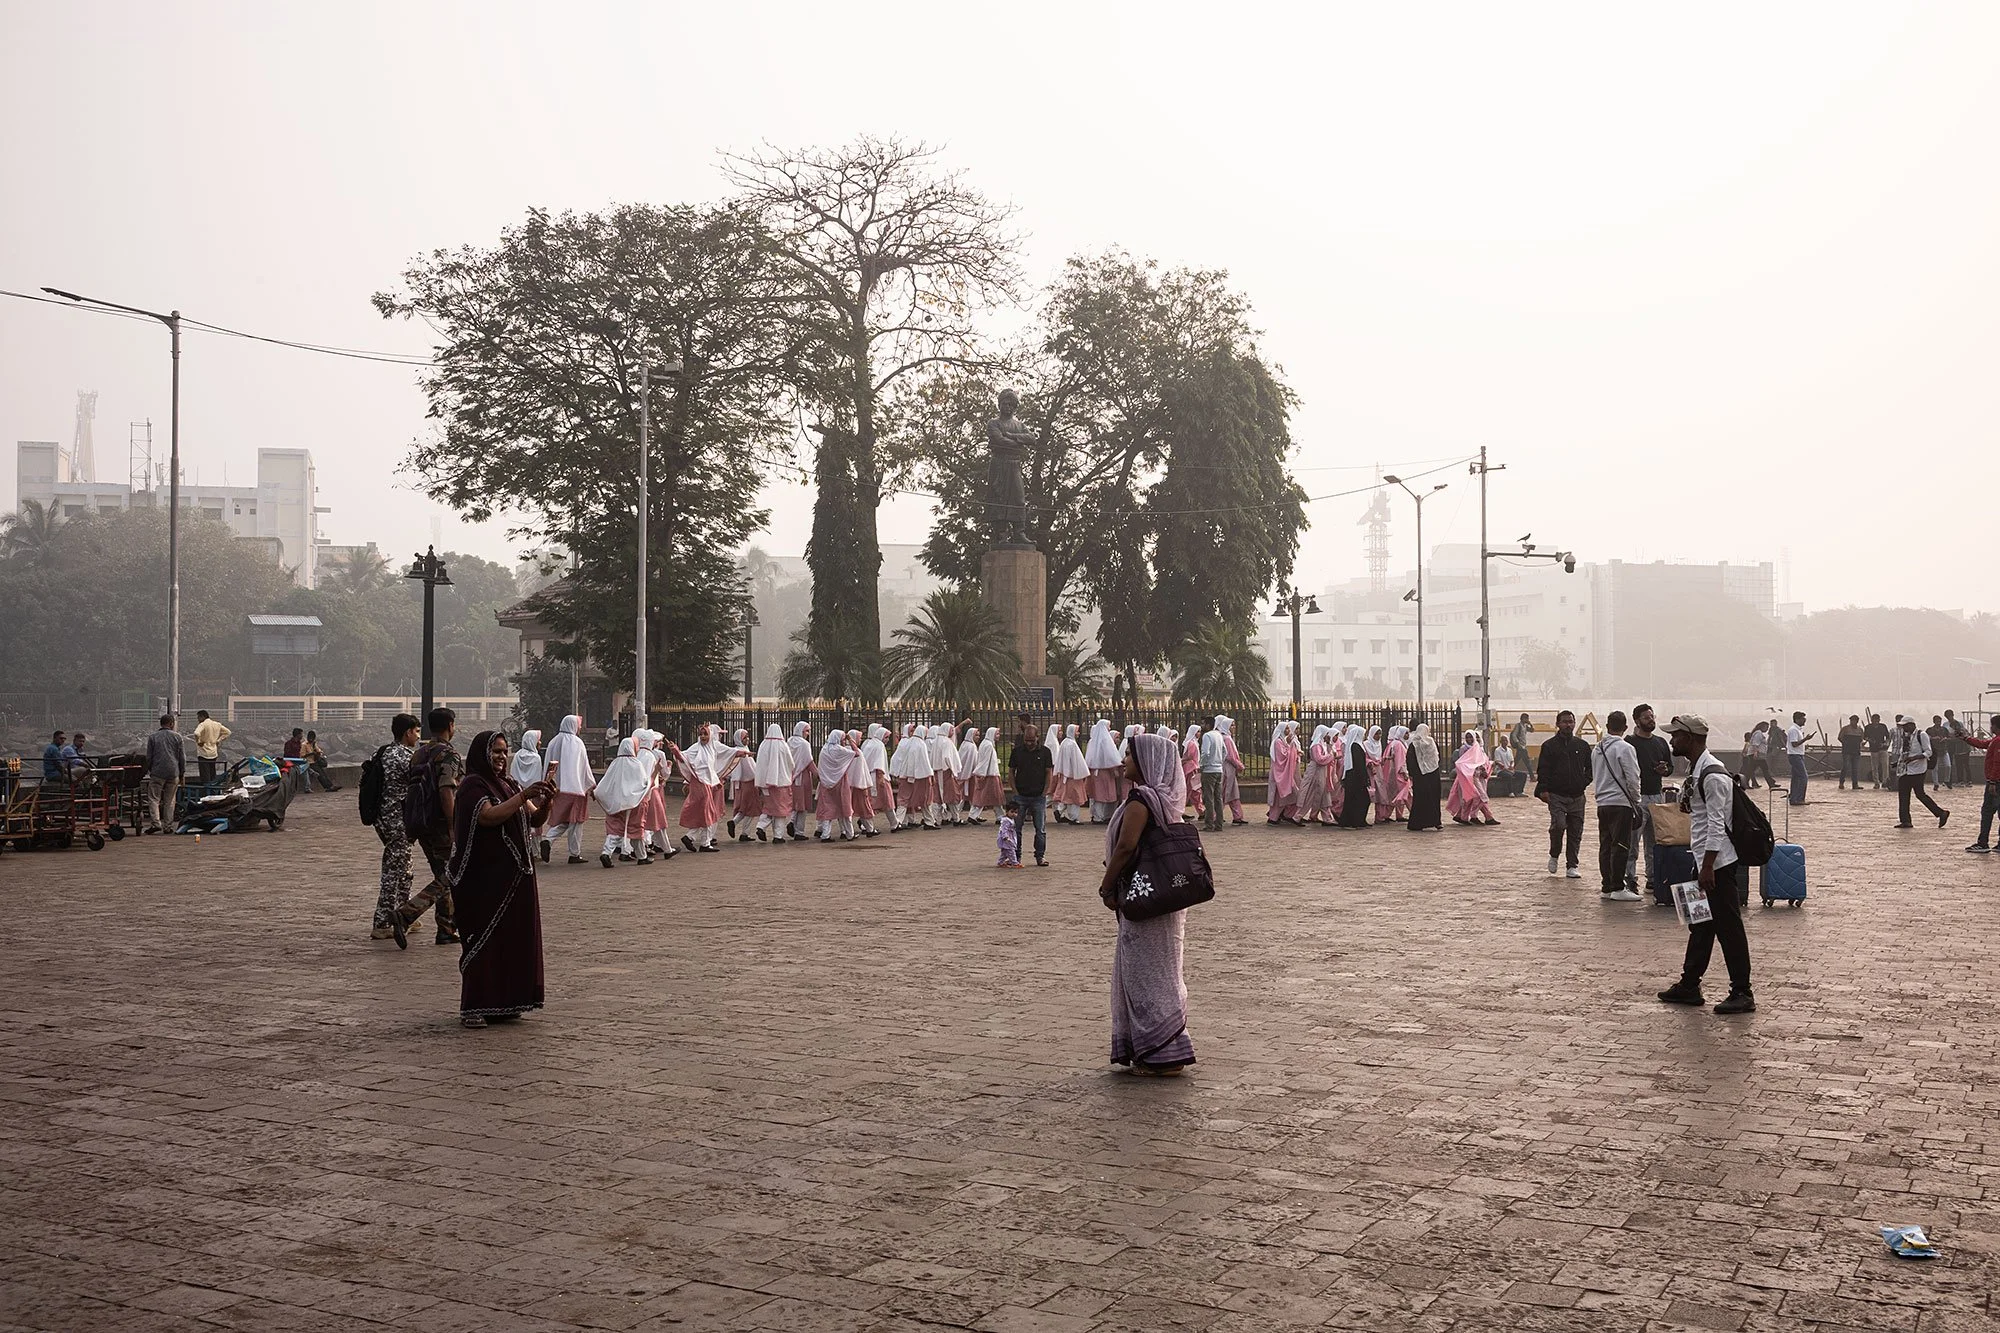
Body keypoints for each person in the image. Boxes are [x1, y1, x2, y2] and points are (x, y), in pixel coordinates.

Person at [1096, 731, 1197, 1076]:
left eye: (1129, 756)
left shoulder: (1141, 801)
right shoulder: (1166, 800)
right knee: (1164, 970)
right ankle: (1163, 1047)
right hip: (1162, 896)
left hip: (1143, 898)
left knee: (1145, 974)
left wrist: (1106, 887)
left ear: (1148, 763)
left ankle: (1162, 1053)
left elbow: (1126, 848)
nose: (1123, 761)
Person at [446, 731, 555, 1028]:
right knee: (483, 941)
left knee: (512, 940)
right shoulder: (472, 786)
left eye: (504, 751)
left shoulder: (508, 784)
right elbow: (488, 817)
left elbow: (534, 819)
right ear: (483, 753)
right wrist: (524, 796)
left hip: (515, 878)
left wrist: (545, 801)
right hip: (485, 880)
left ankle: (506, 1001)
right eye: (495, 751)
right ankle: (474, 1006)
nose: (500, 757)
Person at [1656, 715, 1755, 1015]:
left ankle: (1742, 991)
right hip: (1702, 860)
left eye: (1676, 735)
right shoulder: (1696, 769)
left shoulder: (1712, 775)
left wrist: (1708, 867)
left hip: (1717, 864)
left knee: (1729, 929)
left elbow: (1715, 825)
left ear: (1692, 738)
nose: (1672, 740)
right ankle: (1689, 984)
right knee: (1700, 924)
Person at [391, 707, 463, 948]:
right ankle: (407, 913)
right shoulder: (449, 754)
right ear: (450, 725)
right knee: (449, 876)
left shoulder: (419, 754)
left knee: (442, 874)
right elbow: (446, 790)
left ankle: (446, 929)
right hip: (441, 825)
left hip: (421, 823)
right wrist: (454, 825)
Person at [370, 714, 421, 940]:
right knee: (394, 870)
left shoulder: (380, 753)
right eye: (417, 732)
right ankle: (382, 921)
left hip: (381, 818)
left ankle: (405, 913)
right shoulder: (407, 757)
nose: (418, 737)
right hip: (398, 818)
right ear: (408, 732)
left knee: (405, 866)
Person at [1589, 711, 1641, 900]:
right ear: (1625, 727)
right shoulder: (1625, 748)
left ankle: (1607, 886)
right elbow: (1632, 777)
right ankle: (1618, 887)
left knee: (1605, 845)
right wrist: (1636, 801)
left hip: (1602, 802)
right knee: (1621, 845)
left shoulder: (1597, 749)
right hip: (1621, 803)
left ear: (1607, 725)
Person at [1623, 704, 1674, 896]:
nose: (1650, 720)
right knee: (1632, 842)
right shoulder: (1629, 743)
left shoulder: (1661, 742)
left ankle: (1653, 879)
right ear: (1636, 721)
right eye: (1646, 717)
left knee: (1655, 842)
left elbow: (1670, 767)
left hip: (1657, 796)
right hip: (1637, 797)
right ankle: (1630, 879)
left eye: (1652, 716)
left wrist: (1665, 770)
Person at [1534, 709, 1591, 879]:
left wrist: (1584, 781)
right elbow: (1543, 770)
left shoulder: (1582, 746)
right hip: (1556, 795)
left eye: (1571, 721)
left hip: (1577, 796)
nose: (1568, 725)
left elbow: (1590, 768)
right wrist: (1544, 789)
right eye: (1565, 721)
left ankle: (1572, 865)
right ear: (1557, 724)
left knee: (1575, 831)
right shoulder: (1549, 746)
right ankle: (1554, 853)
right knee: (1559, 825)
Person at [539, 715, 595, 864]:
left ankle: (548, 839)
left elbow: (548, 764)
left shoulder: (553, 742)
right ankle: (574, 853)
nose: (580, 728)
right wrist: (591, 786)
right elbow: (585, 767)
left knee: (563, 819)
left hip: (557, 788)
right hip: (576, 789)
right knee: (576, 822)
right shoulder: (577, 743)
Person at [677, 724, 737, 851]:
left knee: (705, 812)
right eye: (701, 734)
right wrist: (675, 751)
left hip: (707, 783)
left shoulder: (710, 749)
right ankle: (701, 841)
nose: (703, 737)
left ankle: (695, 839)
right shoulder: (695, 748)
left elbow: (711, 769)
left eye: (705, 734)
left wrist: (716, 782)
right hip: (700, 783)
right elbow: (683, 757)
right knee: (707, 811)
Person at [1006, 720, 1053, 866]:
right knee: (1016, 828)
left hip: (1038, 795)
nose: (1029, 743)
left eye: (1032, 740)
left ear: (1038, 737)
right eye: (1027, 740)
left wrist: (1045, 791)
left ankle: (1040, 856)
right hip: (1021, 795)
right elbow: (1011, 772)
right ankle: (1016, 856)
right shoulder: (1017, 752)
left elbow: (1048, 772)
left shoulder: (1045, 752)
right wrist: (1014, 791)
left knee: (1040, 829)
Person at [596, 738, 649, 866]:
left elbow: (604, 784)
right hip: (633, 803)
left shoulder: (614, 764)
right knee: (636, 830)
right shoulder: (636, 764)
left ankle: (606, 853)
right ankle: (642, 856)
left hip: (616, 804)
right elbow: (643, 783)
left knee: (615, 830)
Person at [1891, 715, 1949, 830]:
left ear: (1911, 725)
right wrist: (1898, 762)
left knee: (1920, 795)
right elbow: (1905, 752)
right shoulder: (1906, 737)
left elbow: (1928, 752)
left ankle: (1941, 813)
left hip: (1918, 770)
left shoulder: (1921, 735)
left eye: (1905, 726)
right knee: (1903, 796)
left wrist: (1914, 758)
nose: (1903, 728)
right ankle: (1905, 820)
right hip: (1905, 770)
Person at [1959, 721, 2000, 852]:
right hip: (1996, 781)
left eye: (1992, 725)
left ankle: (1983, 842)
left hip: (1995, 782)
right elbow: (1982, 744)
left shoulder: (1998, 741)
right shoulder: (1995, 740)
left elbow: (1997, 763)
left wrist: (1993, 781)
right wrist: (1966, 738)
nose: (1990, 727)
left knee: (1987, 811)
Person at [753, 723, 797, 843]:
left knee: (768, 807)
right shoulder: (783, 746)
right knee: (780, 811)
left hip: (765, 784)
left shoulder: (763, 745)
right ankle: (778, 836)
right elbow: (791, 763)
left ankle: (761, 826)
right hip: (781, 783)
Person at [141, 714, 185, 834]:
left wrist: (150, 770)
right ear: (171, 723)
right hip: (173, 772)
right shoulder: (177, 737)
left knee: (154, 798)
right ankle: (168, 826)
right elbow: (182, 757)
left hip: (157, 772)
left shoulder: (153, 737)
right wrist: (182, 773)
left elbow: (149, 757)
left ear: (161, 723)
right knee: (170, 800)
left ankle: (156, 823)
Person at [814, 729, 857, 842]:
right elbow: (856, 753)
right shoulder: (840, 750)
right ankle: (849, 834)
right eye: (842, 740)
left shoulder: (824, 750)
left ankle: (825, 835)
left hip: (825, 783)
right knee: (845, 807)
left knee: (827, 808)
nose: (843, 742)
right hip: (840, 782)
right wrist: (850, 740)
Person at [1406, 723, 1443, 832]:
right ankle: (1436, 822)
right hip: (1433, 776)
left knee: (1420, 799)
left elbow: (1410, 761)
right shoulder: (1432, 742)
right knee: (1433, 799)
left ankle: (1418, 823)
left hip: (1420, 777)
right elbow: (1437, 759)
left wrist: (1412, 774)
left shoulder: (1414, 744)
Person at [1085, 719, 1123, 823]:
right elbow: (1109, 756)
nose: (1109, 729)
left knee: (1099, 795)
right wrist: (1113, 767)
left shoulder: (1093, 741)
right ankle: (1099, 816)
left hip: (1096, 771)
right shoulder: (1105, 741)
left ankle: (1098, 815)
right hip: (1105, 772)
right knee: (1102, 795)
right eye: (1108, 726)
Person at [1297, 725, 1336, 824]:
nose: (1328, 735)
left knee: (1323, 794)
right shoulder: (1316, 746)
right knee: (1310, 794)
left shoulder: (1322, 744)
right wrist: (1331, 756)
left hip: (1322, 771)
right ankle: (1297, 816)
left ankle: (1326, 817)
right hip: (1315, 772)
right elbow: (1319, 759)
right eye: (1326, 733)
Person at [726, 726, 760, 842]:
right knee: (750, 809)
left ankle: (741, 829)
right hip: (748, 784)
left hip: (739, 785)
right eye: (745, 737)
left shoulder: (738, 751)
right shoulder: (744, 753)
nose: (748, 739)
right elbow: (751, 771)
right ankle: (740, 828)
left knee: (744, 808)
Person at [1266, 721, 1303, 825]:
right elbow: (1282, 756)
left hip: (1283, 773)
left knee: (1283, 797)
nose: (1288, 731)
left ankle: (1281, 816)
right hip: (1279, 773)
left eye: (1288, 728)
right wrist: (1293, 751)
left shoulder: (1283, 741)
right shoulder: (1278, 742)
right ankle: (1273, 817)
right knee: (1278, 797)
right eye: (1286, 729)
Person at [1214, 716, 1247, 825]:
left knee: (1233, 793)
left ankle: (1237, 816)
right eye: (1231, 725)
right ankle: (1214, 816)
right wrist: (1240, 766)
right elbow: (1231, 756)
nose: (1234, 727)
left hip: (1228, 769)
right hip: (1228, 769)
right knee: (1225, 792)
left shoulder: (1224, 737)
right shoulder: (1227, 739)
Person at [1053, 723, 1089, 824]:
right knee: (1074, 797)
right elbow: (1074, 761)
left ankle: (1060, 810)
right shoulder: (1071, 744)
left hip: (1068, 775)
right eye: (1077, 731)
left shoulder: (1066, 742)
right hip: (1073, 775)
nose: (1078, 733)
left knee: (1068, 796)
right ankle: (1074, 818)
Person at [1336, 724, 1371, 827]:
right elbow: (1358, 764)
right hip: (1355, 777)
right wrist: (1364, 778)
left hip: (1355, 776)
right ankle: (1354, 821)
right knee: (1359, 800)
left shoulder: (1358, 745)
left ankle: (1356, 820)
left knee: (1356, 800)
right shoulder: (1355, 746)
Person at [931, 724, 965, 826]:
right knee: (951, 796)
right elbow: (947, 757)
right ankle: (955, 818)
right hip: (946, 771)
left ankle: (937, 819)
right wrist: (952, 770)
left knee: (939, 796)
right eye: (951, 730)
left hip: (938, 771)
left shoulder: (937, 740)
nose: (952, 732)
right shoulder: (946, 742)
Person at [787, 722, 816, 839]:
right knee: (803, 805)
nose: (808, 734)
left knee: (796, 803)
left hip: (791, 775)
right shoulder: (804, 744)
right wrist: (817, 774)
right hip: (803, 776)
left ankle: (792, 821)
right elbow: (808, 761)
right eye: (806, 731)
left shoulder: (789, 741)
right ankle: (799, 831)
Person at [1197, 724, 1227, 831]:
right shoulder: (1219, 735)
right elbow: (1225, 751)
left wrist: (1202, 765)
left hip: (1209, 770)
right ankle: (1219, 824)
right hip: (1218, 769)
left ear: (1208, 725)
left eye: (1204, 723)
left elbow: (1205, 752)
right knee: (1218, 798)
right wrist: (1219, 762)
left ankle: (1209, 824)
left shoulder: (1207, 736)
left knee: (1208, 797)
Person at [193, 710, 230, 785]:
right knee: (212, 772)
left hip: (203, 753)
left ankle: (206, 790)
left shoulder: (202, 724)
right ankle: (213, 788)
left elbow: (196, 733)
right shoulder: (217, 724)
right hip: (213, 753)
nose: (198, 720)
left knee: (205, 774)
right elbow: (228, 732)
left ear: (202, 716)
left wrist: (199, 741)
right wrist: (218, 740)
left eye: (198, 717)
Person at [1782, 711, 1810, 806]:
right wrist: (1805, 739)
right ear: (1797, 719)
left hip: (1797, 755)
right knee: (1803, 777)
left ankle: (1793, 798)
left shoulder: (1797, 730)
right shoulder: (1793, 730)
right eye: (1803, 718)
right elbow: (1794, 744)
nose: (1804, 720)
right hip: (1795, 756)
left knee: (1796, 778)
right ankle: (1799, 798)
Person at [1837, 715, 1865, 792]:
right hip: (1847, 751)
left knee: (1855, 768)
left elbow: (1861, 739)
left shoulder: (1860, 730)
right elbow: (1839, 737)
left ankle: (1855, 784)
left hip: (1856, 751)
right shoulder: (1845, 729)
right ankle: (1841, 783)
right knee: (1845, 767)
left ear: (1857, 721)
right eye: (1851, 720)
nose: (1853, 722)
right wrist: (1845, 744)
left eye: (1854, 720)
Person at [1864, 712, 1892, 789]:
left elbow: (1888, 737)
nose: (1876, 721)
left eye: (1877, 720)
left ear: (1879, 720)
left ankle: (1885, 782)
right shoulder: (1867, 727)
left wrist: (1886, 744)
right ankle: (1876, 783)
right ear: (1872, 720)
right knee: (1874, 767)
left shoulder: (1883, 726)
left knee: (1885, 766)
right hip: (1873, 749)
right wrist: (1870, 740)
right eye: (1874, 720)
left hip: (1883, 748)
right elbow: (1865, 737)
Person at [996, 799, 1023, 869]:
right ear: (1007, 811)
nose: (1014, 814)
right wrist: (1005, 837)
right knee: (1011, 850)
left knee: (1005, 852)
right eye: (1012, 812)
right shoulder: (1006, 820)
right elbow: (1003, 829)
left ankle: (1000, 862)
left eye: (1016, 812)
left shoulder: (1011, 819)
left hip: (1010, 836)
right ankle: (1015, 862)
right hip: (1007, 838)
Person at [1509, 713, 1535, 782]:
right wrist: (1518, 743)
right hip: (1520, 747)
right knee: (1527, 762)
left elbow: (1532, 730)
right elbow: (1514, 735)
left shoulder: (1525, 726)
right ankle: (1532, 777)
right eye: (1526, 718)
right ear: (1522, 719)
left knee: (1517, 760)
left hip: (1523, 746)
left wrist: (1530, 724)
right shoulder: (1518, 726)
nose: (1527, 720)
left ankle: (1510, 770)